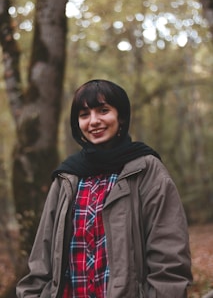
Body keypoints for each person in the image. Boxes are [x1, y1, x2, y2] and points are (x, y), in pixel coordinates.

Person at [16, 79, 193, 298]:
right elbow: (41, 259)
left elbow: (169, 259)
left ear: (121, 116)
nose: (94, 121)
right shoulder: (66, 177)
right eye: (84, 115)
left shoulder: (146, 169)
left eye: (103, 110)